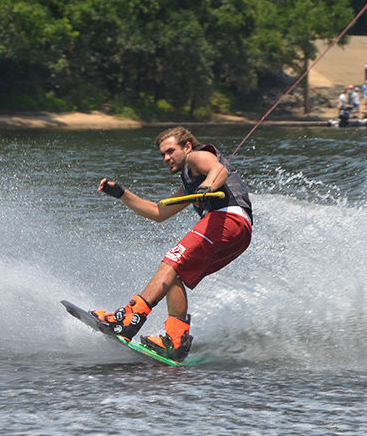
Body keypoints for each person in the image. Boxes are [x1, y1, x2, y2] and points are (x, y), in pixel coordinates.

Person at [92, 126, 253, 362]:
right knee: (175, 275)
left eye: (170, 151)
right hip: (239, 234)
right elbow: (159, 212)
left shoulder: (196, 156)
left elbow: (219, 170)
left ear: (186, 147)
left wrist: (207, 187)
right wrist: (122, 194)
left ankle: (128, 319)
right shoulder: (189, 180)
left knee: (171, 262)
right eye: (162, 155)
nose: (167, 158)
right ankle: (175, 340)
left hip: (228, 220)